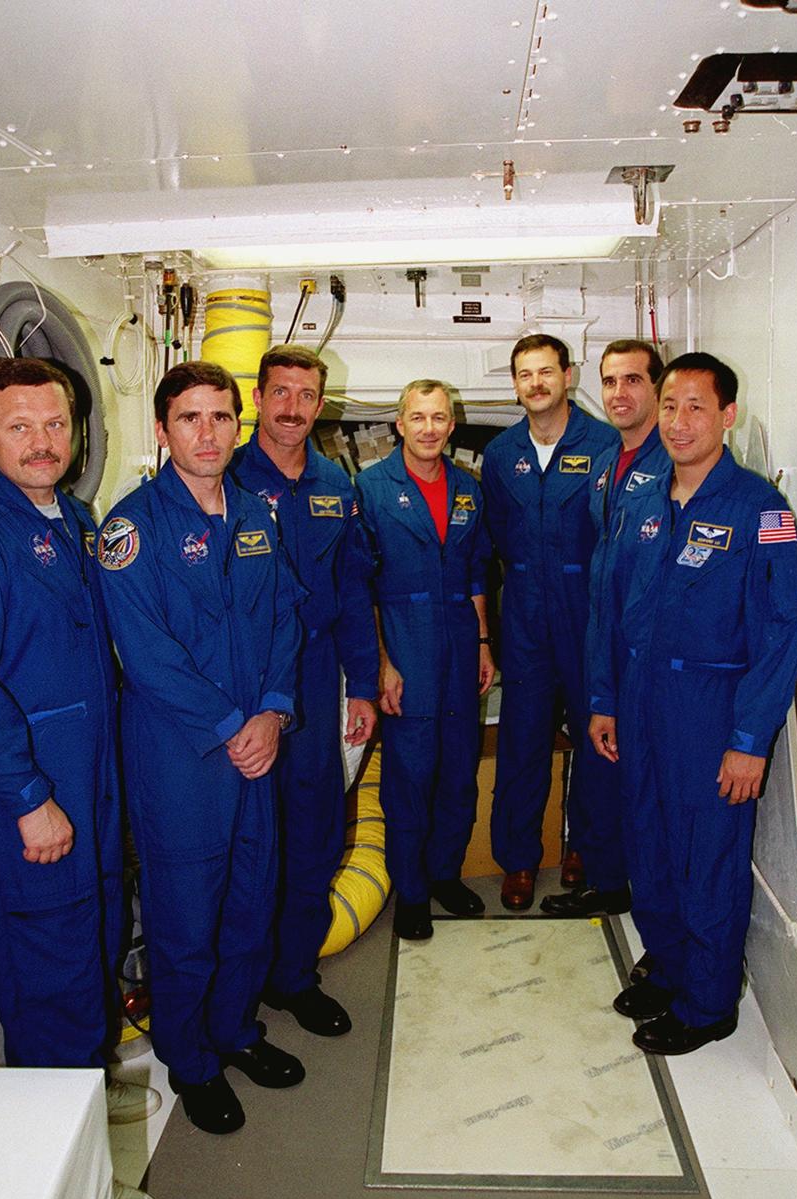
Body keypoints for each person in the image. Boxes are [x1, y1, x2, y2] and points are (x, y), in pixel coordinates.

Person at [0, 356, 160, 1199]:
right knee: (53, 990)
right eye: (18, 426)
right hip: (25, 806)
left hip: (85, 791)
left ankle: (75, 1163)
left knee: (89, 967)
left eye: (54, 424)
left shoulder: (75, 519)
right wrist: (27, 797)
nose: (42, 441)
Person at [97, 361, 304, 1133]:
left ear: (237, 425)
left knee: (252, 901)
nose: (208, 432)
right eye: (190, 418)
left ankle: (234, 1032)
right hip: (182, 761)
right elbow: (145, 654)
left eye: (222, 417)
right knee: (186, 921)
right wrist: (230, 726)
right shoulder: (131, 528)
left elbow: (284, 620)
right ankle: (190, 1060)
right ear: (163, 430)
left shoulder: (256, 517)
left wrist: (275, 712)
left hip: (258, 749)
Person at [589, 353, 797, 1055]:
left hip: (709, 710)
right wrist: (603, 700)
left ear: (726, 417)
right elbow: (609, 607)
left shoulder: (759, 510)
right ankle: (672, 964)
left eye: (695, 408)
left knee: (705, 859)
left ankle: (709, 1003)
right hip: (640, 700)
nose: (679, 422)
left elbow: (782, 629)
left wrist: (749, 738)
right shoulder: (643, 502)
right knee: (647, 846)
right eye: (672, 405)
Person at [229, 344, 379, 1036]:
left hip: (316, 680)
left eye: (305, 394)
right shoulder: (220, 476)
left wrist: (364, 687)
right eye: (279, 392)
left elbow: (353, 591)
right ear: (258, 397)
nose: (291, 407)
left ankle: (293, 977)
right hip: (242, 681)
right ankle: (236, 986)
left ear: (321, 405)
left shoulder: (333, 486)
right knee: (243, 841)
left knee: (315, 835)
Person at [481, 334, 617, 911]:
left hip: (587, 612)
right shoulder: (500, 453)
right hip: (526, 614)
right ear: (515, 385)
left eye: (545, 372)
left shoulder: (606, 445)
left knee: (597, 736)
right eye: (524, 374)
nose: (535, 383)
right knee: (522, 739)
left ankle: (587, 849)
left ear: (568, 375)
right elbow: (489, 543)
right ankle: (517, 860)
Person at [355, 379, 495, 940]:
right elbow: (358, 584)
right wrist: (382, 663)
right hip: (405, 643)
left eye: (439, 418)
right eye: (418, 418)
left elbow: (479, 569)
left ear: (452, 425)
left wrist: (484, 642)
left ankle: (444, 876)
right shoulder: (371, 487)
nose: (429, 428)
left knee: (459, 772)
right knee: (409, 778)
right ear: (399, 424)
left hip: (461, 642)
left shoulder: (468, 489)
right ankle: (411, 892)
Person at [541, 338, 669, 920]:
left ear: (657, 390)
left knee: (649, 795)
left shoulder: (672, 466)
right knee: (604, 773)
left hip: (650, 658)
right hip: (605, 644)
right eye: (611, 381)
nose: (619, 394)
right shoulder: (605, 469)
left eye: (633, 381)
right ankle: (609, 881)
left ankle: (654, 920)